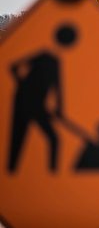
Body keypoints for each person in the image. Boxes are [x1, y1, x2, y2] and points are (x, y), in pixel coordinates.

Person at [8, 25, 76, 173]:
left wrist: (59, 108)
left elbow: (58, 88)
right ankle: (11, 174)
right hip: (23, 103)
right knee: (17, 141)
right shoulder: (43, 56)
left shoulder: (56, 61)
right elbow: (13, 66)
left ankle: (52, 175)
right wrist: (23, 85)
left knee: (54, 139)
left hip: (37, 105)